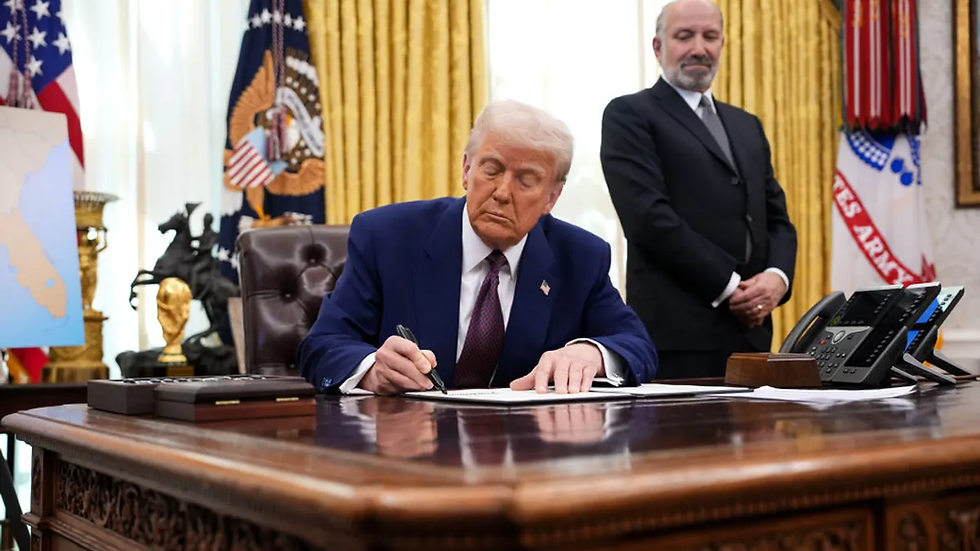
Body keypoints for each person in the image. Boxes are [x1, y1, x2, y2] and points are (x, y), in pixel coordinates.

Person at [298, 100, 658, 394]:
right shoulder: (387, 237)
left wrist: (591, 353)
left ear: (552, 197)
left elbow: (637, 345)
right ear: (466, 169)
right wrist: (372, 369)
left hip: (526, 458)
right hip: (410, 452)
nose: (502, 192)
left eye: (526, 180)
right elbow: (323, 345)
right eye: (491, 169)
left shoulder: (579, 256)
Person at [599, 0, 797, 379]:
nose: (699, 48)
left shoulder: (747, 125)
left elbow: (777, 219)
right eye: (684, 36)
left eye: (710, 37)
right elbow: (648, 219)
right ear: (658, 47)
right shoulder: (630, 115)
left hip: (751, 338)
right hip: (675, 340)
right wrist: (730, 287)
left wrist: (777, 277)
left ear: (722, 44)